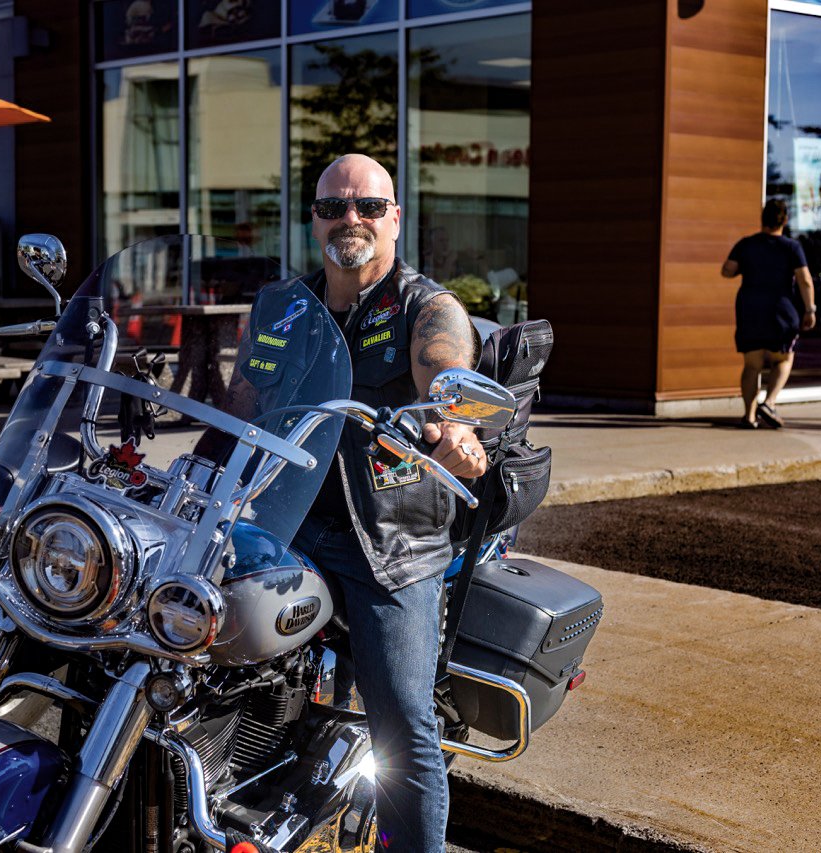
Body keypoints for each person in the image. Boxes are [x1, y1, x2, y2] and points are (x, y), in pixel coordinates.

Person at [278, 153, 485, 852]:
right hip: (290, 522)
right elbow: (243, 403)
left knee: (401, 719)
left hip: (389, 540)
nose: (350, 218)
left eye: (368, 206)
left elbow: (446, 374)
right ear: (314, 221)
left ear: (395, 218)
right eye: (333, 207)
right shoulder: (287, 308)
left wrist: (455, 429)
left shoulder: (426, 307)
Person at [721, 198, 816, 429]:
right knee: (783, 359)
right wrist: (810, 309)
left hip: (750, 309)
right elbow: (804, 280)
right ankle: (769, 403)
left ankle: (749, 416)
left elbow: (727, 271)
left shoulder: (746, 244)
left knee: (751, 365)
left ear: (762, 219)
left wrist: (748, 267)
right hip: (780, 311)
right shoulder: (791, 247)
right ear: (785, 220)